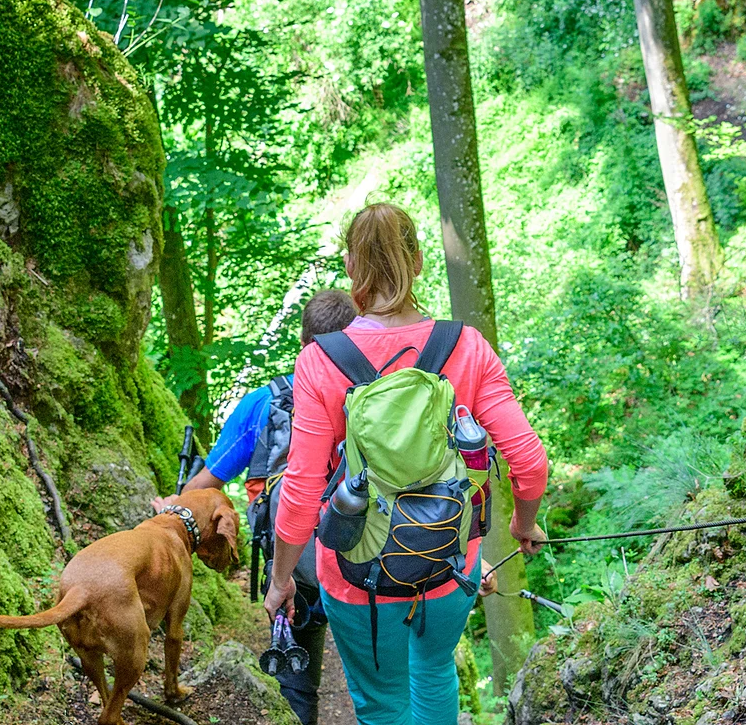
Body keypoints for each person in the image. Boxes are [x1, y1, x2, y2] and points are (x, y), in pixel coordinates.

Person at [265, 203, 550, 725]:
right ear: (417, 260)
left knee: (382, 703)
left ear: (351, 265)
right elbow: (528, 460)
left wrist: (282, 578)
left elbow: (303, 488)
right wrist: (522, 524)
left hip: (357, 574)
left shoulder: (319, 360)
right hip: (448, 559)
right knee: (436, 669)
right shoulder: (466, 347)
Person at [172, 288, 359, 725]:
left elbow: (211, 479)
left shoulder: (265, 402)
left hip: (294, 561)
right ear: (355, 338)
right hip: (369, 556)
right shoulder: (379, 396)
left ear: (303, 340)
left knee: (298, 677)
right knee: (380, 679)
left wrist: (172, 504)